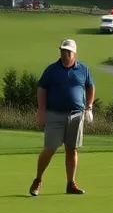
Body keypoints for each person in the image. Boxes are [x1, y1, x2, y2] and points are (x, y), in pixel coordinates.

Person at [29, 39, 95, 197]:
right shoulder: (52, 70)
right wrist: (41, 112)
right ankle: (38, 180)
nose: (64, 54)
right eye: (62, 51)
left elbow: (90, 87)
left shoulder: (83, 69)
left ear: (74, 53)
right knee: (50, 148)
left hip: (76, 115)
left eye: (68, 51)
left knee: (71, 150)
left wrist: (89, 107)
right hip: (55, 115)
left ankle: (70, 184)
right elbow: (42, 89)